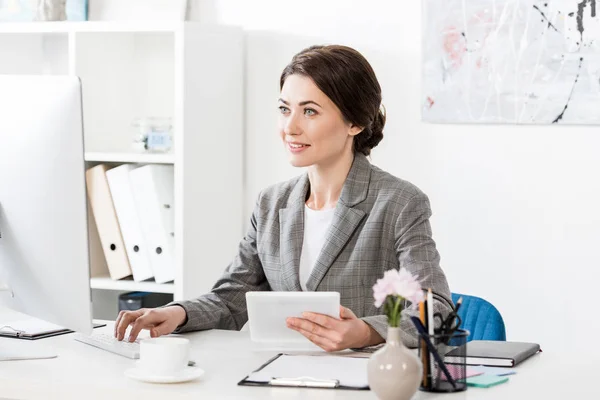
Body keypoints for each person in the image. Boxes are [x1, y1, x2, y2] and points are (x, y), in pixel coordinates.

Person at [115, 45, 452, 351]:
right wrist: (177, 313)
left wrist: (365, 332)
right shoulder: (271, 204)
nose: (290, 127)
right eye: (284, 109)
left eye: (309, 111)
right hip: (279, 375)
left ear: (355, 122)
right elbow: (233, 298)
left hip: (363, 380)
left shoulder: (399, 202)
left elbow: (437, 311)